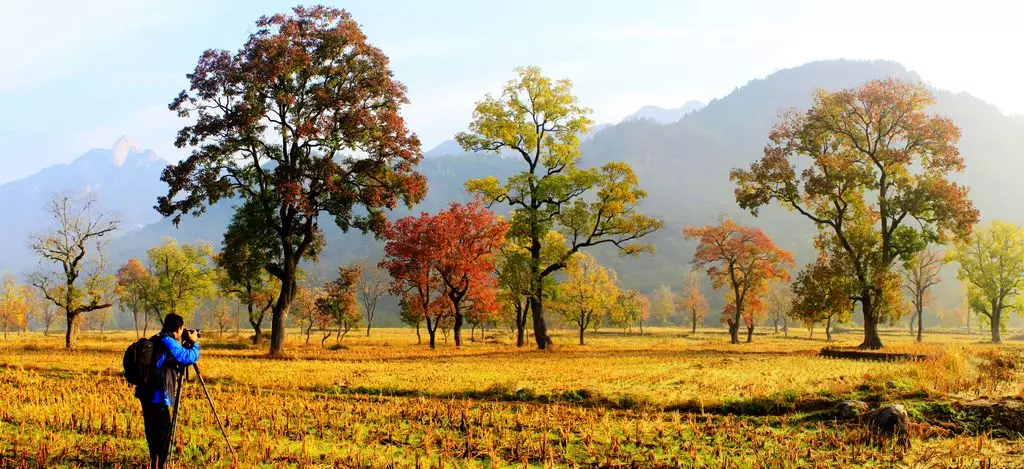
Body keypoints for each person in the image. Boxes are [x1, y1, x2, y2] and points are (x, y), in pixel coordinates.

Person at [135, 313, 200, 469]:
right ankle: (160, 463)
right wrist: (194, 343)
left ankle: (155, 462)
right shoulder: (168, 341)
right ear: (178, 328)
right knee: (163, 432)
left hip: (145, 392)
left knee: (152, 431)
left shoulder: (155, 338)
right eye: (182, 328)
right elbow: (187, 357)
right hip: (158, 394)